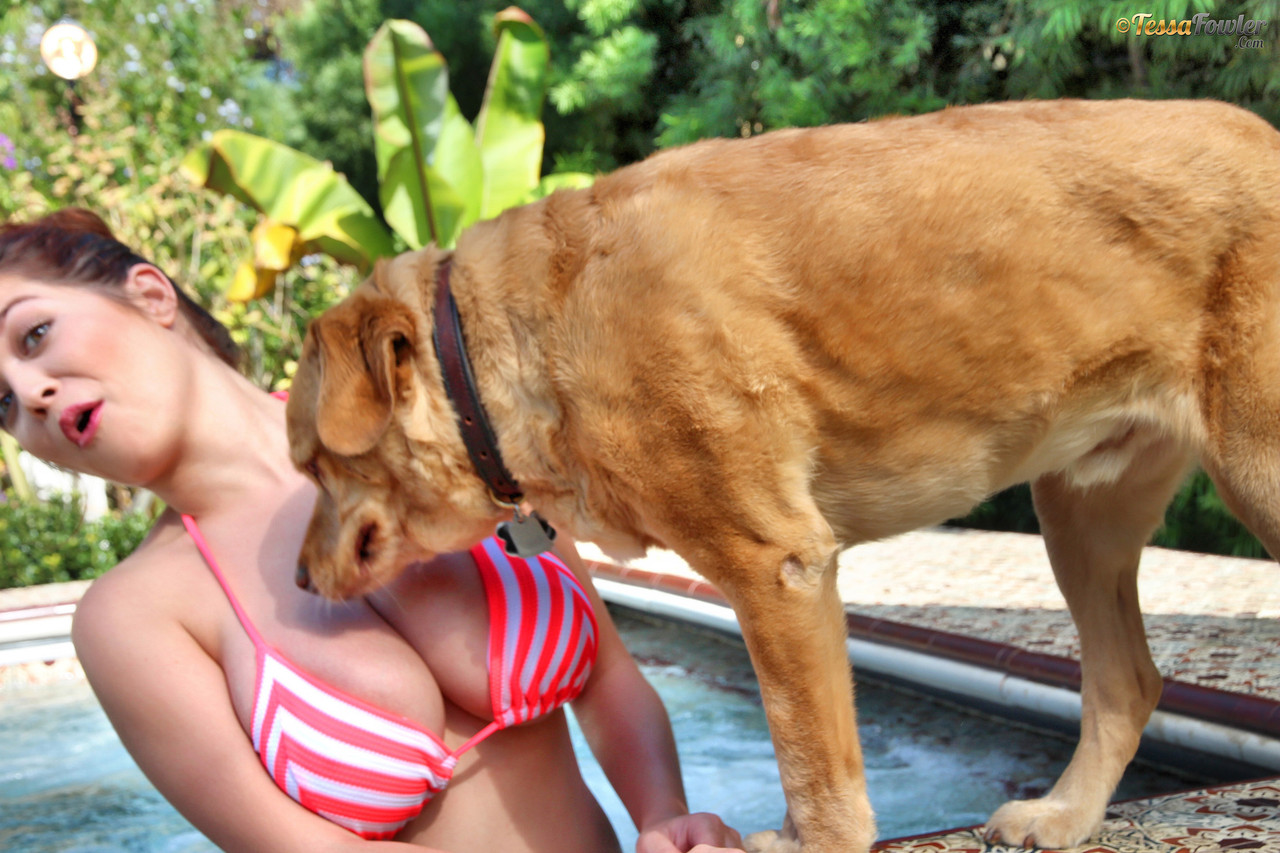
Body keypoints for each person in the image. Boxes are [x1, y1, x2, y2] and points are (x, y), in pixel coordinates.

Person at [0, 208, 746, 853]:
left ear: (150, 294)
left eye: (33, 335)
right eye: (0, 401)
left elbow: (609, 675)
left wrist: (667, 817)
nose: (31, 393)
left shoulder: (412, 404)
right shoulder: (132, 616)